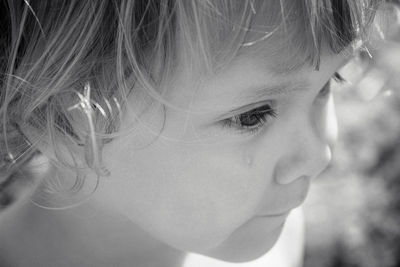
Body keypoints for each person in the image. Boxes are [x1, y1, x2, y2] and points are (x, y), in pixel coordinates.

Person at [0, 0, 381, 266]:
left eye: (330, 80)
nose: (319, 156)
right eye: (252, 116)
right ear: (62, 118)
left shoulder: (275, 243)